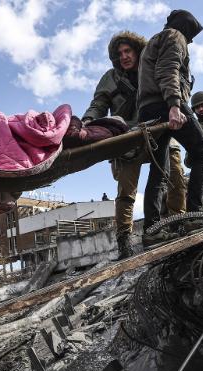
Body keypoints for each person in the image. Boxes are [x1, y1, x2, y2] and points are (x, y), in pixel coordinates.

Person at [82, 31, 187, 259]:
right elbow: (98, 104)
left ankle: (177, 225)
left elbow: (173, 83)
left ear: (137, 50)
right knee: (126, 192)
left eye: (128, 51)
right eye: (119, 54)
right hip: (128, 138)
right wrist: (87, 121)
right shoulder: (110, 78)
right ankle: (124, 241)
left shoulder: (152, 68)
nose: (124, 57)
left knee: (176, 179)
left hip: (160, 132)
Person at [137, 10, 203, 245]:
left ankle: (153, 230)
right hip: (165, 104)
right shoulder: (175, 36)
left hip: (148, 110)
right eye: (191, 37)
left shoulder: (153, 42)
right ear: (186, 29)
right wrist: (174, 105)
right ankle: (195, 217)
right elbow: (167, 69)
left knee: (160, 171)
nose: (190, 42)